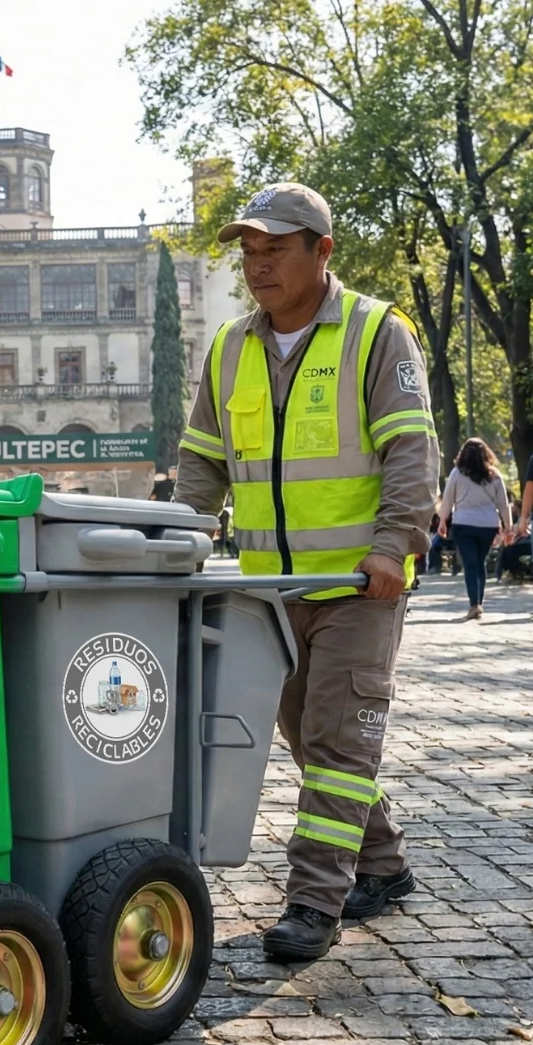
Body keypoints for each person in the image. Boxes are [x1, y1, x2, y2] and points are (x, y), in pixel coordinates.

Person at [175, 182, 439, 962]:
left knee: (337, 740)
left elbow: (410, 450)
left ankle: (314, 901)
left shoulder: (376, 331)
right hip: (271, 592)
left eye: (275, 250)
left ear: (322, 251)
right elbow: (202, 463)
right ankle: (383, 863)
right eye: (249, 253)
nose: (258, 266)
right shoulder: (230, 348)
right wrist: (178, 541)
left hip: (360, 587)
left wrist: (394, 545)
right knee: (306, 735)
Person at [437, 439, 511, 616]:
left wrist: (442, 521)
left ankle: (474, 604)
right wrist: (507, 526)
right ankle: (478, 602)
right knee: (480, 562)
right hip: (487, 525)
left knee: (470, 564)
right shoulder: (494, 475)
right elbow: (503, 503)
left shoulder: (457, 473)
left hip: (463, 524)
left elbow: (447, 499)